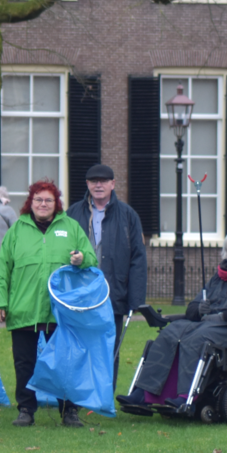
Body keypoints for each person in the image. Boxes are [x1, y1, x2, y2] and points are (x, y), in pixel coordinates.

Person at [0, 180, 96, 428]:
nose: (43, 204)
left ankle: (69, 410)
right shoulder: (17, 230)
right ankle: (26, 409)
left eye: (48, 200)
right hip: (24, 309)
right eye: (38, 199)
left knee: (64, 363)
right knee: (24, 363)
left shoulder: (71, 227)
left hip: (61, 312)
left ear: (56, 203)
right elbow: (1, 270)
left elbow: (91, 258)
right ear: (30, 202)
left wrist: (82, 258)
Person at [118, 228, 227, 410]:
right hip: (206, 324)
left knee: (196, 338)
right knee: (171, 332)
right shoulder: (218, 277)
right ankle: (144, 392)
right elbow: (192, 307)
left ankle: (187, 396)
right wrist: (199, 309)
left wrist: (223, 315)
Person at [66, 163, 147, 383]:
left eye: (103, 181)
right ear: (87, 184)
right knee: (79, 346)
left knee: (109, 348)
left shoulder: (128, 215)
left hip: (113, 294)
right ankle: (77, 397)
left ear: (113, 184)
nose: (98, 185)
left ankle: (103, 398)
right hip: (80, 294)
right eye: (94, 181)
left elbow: (138, 258)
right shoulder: (72, 213)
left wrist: (136, 299)